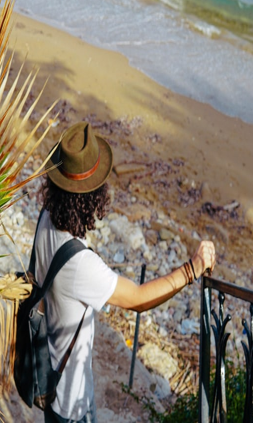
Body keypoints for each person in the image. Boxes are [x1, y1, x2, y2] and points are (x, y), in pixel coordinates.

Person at [34, 122, 216, 423]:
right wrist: (191, 269)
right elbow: (139, 298)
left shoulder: (46, 217)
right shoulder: (80, 263)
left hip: (49, 373)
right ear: (92, 195)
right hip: (70, 401)